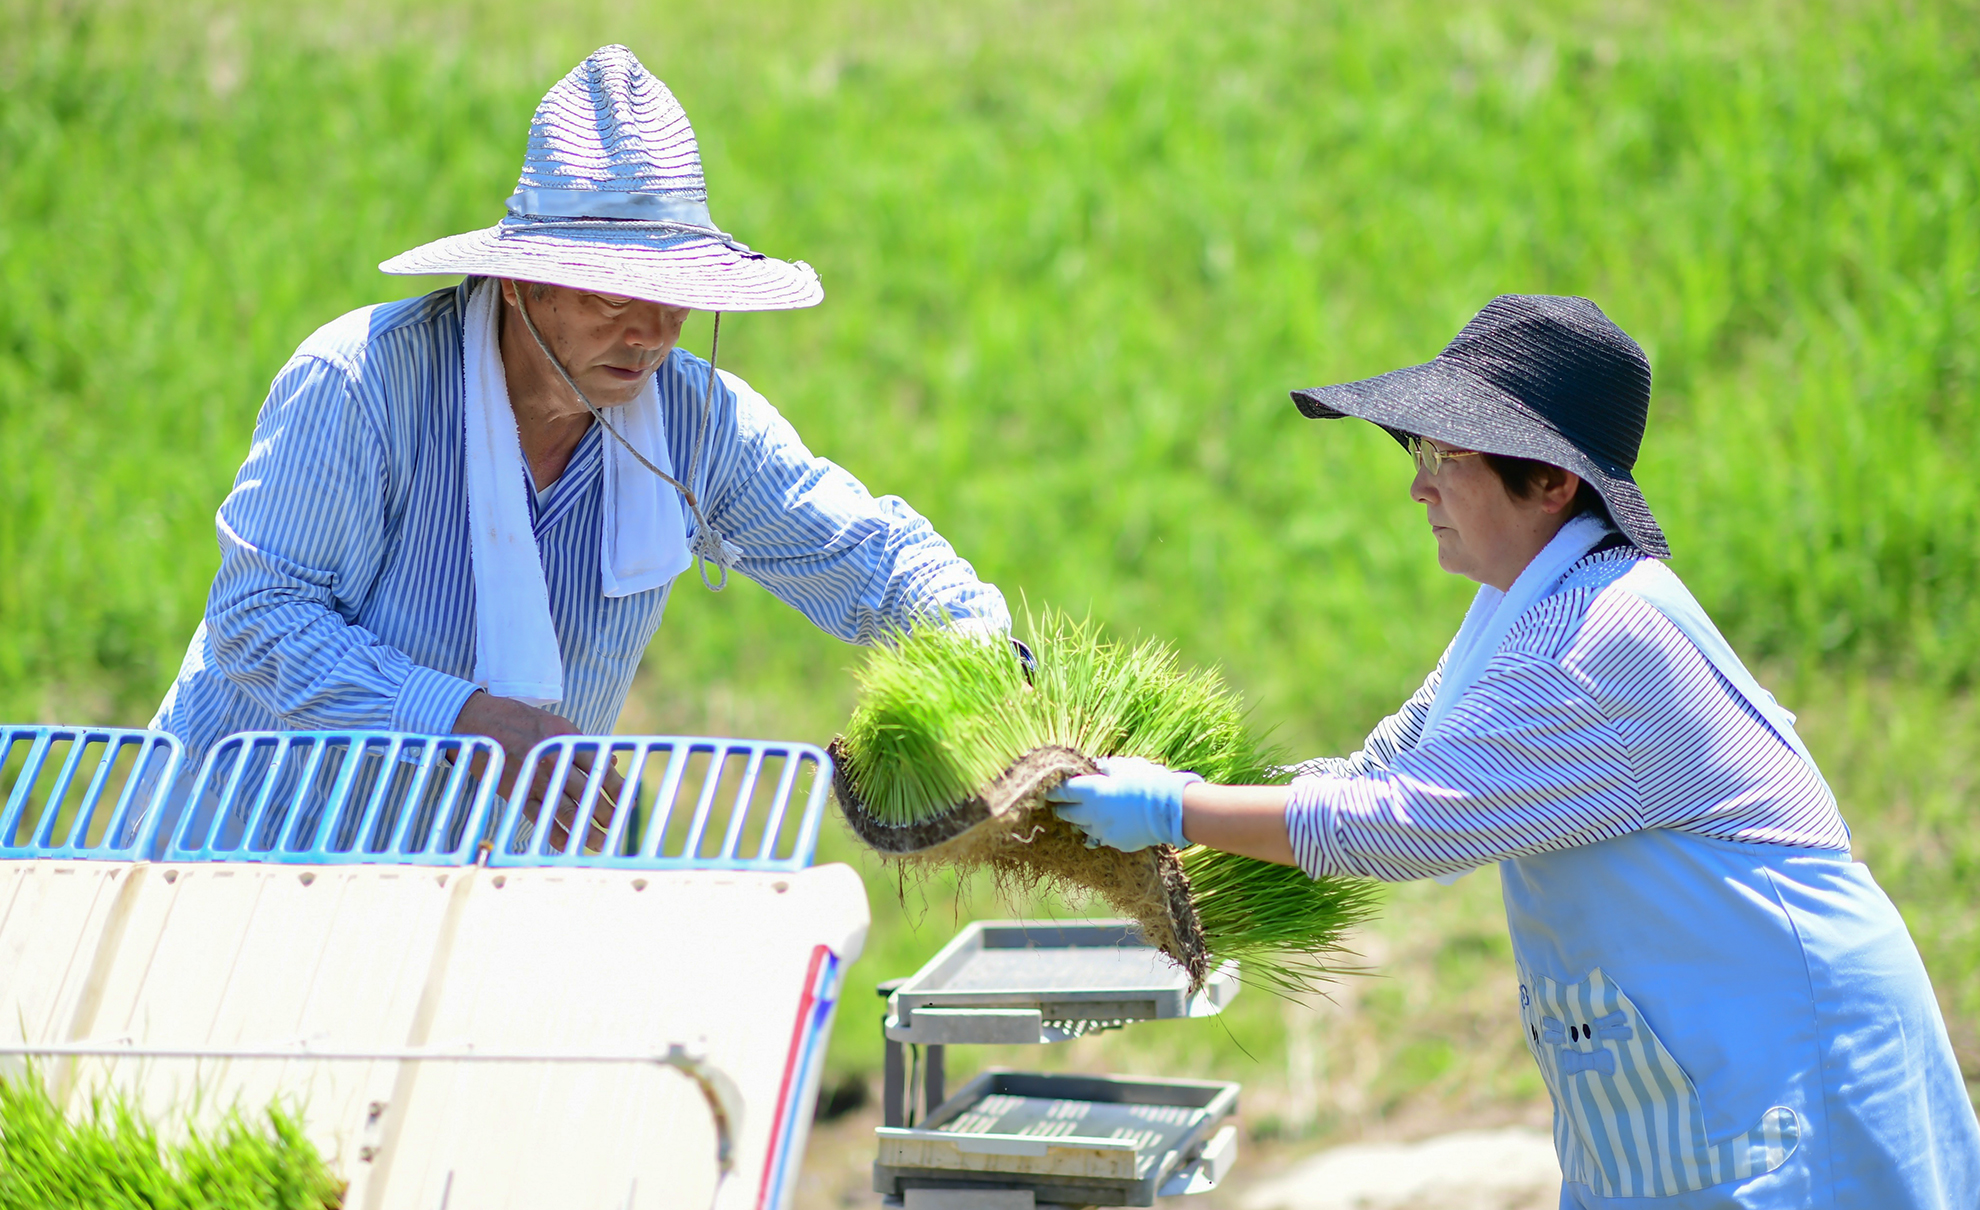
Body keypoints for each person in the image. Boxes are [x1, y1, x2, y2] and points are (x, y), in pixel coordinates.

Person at [1048, 295, 1980, 1208]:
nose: (1418, 484)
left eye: (1448, 456)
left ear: (1552, 482)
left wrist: (1178, 806)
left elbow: (1402, 826)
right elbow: (1380, 773)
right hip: (1683, 1059)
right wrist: (1172, 799)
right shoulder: (1520, 607)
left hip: (1784, 1055)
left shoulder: (1599, 641)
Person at [149, 45, 1010, 817]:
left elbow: (871, 557)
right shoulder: (366, 386)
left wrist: (987, 655)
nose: (651, 333)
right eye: (610, 295)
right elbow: (260, 617)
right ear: (523, 283)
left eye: (674, 295)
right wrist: (456, 717)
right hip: (243, 849)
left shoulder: (691, 422)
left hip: (467, 882)